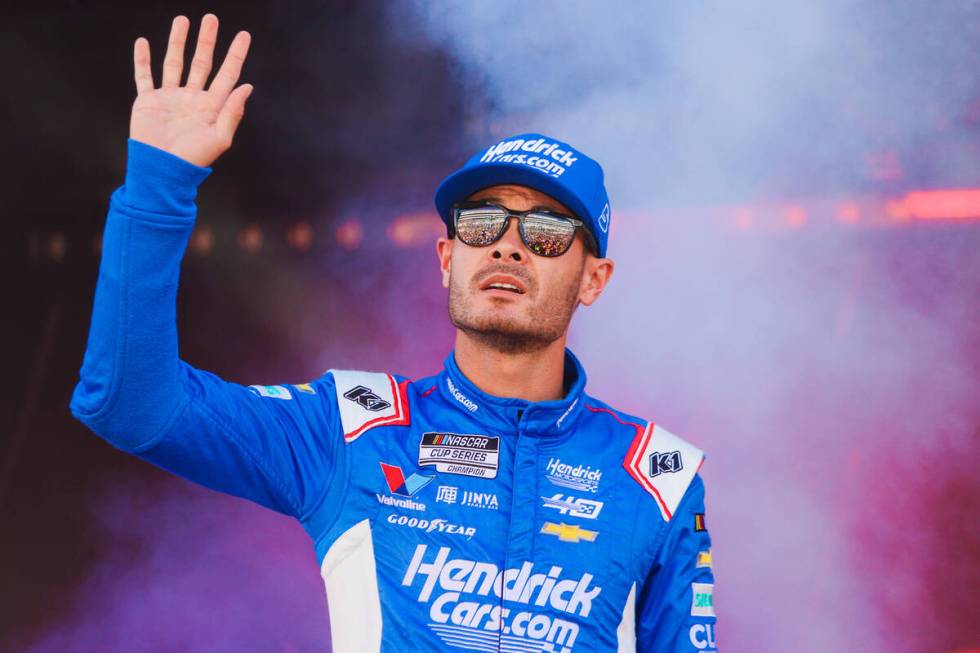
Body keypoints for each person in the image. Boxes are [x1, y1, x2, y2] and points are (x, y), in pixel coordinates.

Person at [70, 13, 717, 653]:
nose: (509, 247)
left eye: (545, 231)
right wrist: (160, 184)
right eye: (481, 223)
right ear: (446, 258)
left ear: (593, 279)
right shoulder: (351, 429)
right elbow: (129, 403)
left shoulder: (656, 478)